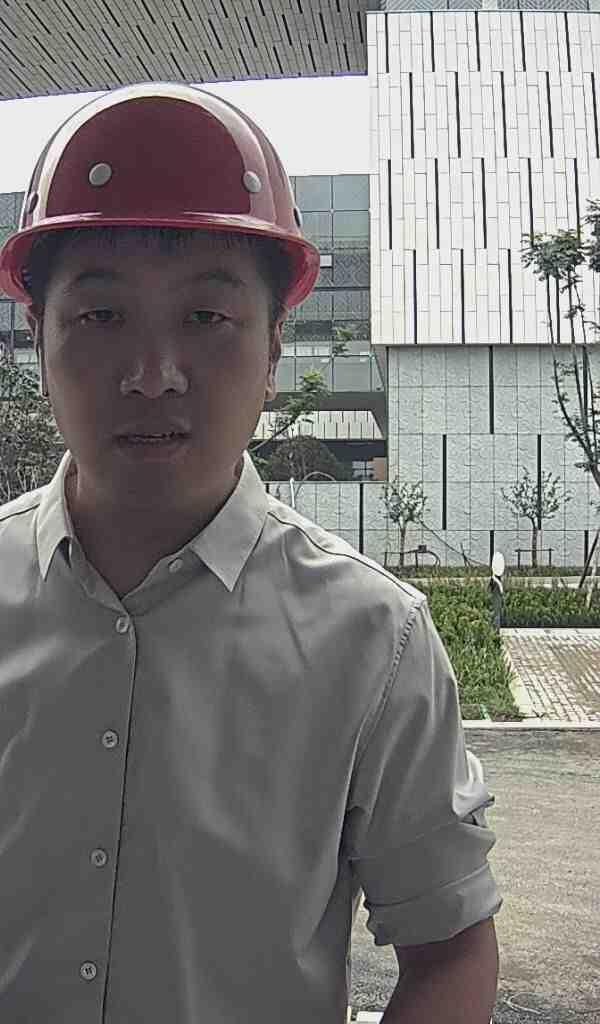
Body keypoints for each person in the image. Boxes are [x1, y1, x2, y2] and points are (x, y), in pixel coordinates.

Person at [0, 82, 502, 1023]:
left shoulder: (372, 639)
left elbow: (450, 948)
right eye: (102, 317)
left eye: (207, 319)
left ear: (274, 347)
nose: (153, 376)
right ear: (37, 337)